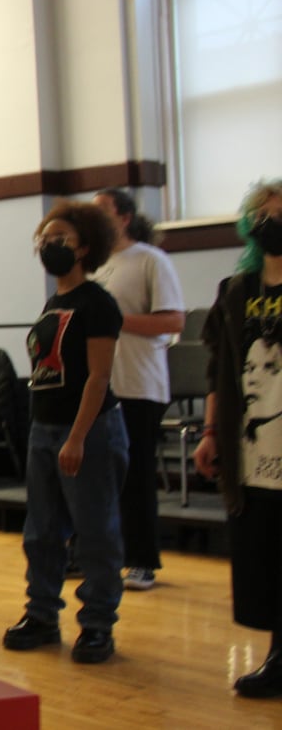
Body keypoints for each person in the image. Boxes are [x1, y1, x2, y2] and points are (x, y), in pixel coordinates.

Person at [2, 200, 126, 665]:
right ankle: (41, 615)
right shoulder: (54, 302)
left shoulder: (98, 302)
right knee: (42, 531)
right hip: (45, 426)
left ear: (85, 248)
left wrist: (76, 437)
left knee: (94, 532)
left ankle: (97, 624)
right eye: (44, 240)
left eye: (60, 241)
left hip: (87, 430)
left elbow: (98, 377)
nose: (49, 247)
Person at [193, 179, 282, 698]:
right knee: (264, 553)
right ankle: (276, 655)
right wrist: (209, 432)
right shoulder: (235, 292)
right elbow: (217, 369)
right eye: (264, 213)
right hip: (251, 450)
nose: (274, 220)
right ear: (249, 223)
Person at [91, 188, 185, 592]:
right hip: (101, 384)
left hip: (140, 383)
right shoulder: (95, 266)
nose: (92, 218)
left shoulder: (149, 259)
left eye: (102, 211)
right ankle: (99, 554)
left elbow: (173, 321)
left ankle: (142, 561)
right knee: (98, 477)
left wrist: (115, 318)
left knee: (136, 476)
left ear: (124, 217)